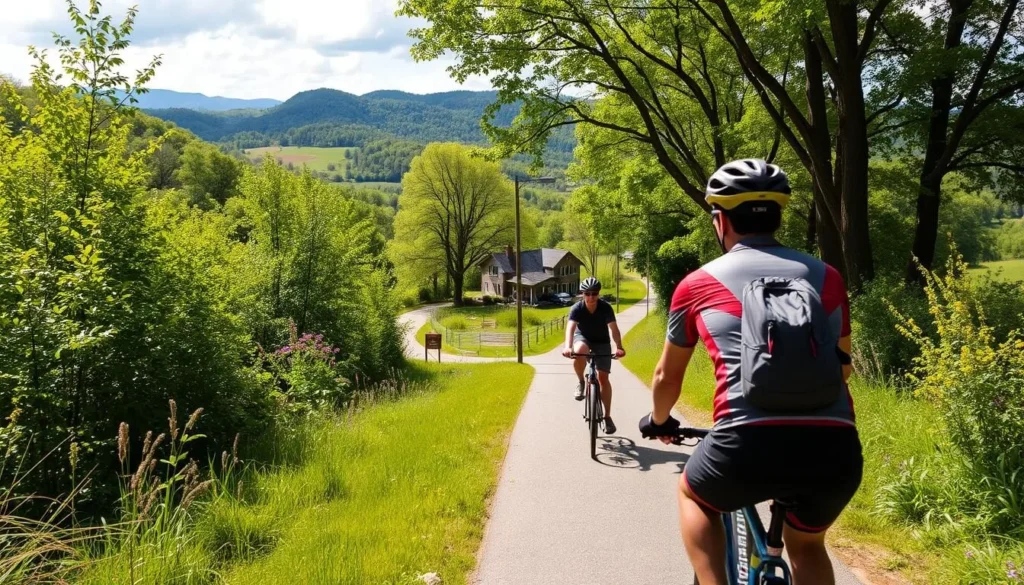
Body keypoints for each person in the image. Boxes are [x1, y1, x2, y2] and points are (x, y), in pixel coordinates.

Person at [638, 159, 863, 585]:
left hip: (745, 445)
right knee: (809, 546)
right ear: (778, 216)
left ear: (720, 221)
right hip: (834, 450)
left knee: (694, 495)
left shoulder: (696, 284)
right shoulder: (828, 278)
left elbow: (668, 377)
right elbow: (843, 369)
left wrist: (660, 420)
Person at [561, 277, 626, 434]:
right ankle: (581, 382)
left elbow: (614, 329)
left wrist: (619, 347)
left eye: (594, 293)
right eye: (587, 293)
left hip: (602, 341)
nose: (591, 297)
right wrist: (568, 347)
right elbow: (570, 328)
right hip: (582, 337)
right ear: (582, 294)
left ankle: (607, 417)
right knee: (580, 350)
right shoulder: (577, 308)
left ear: (598, 294)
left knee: (603, 378)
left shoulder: (605, 308)